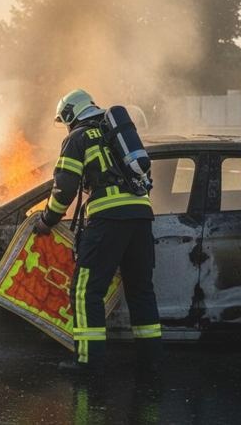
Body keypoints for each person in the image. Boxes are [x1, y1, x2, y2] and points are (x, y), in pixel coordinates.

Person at [35, 89, 160, 374]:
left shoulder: (78, 137)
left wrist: (47, 220)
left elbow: (65, 187)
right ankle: (150, 359)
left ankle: (89, 362)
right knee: (141, 290)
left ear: (70, 115)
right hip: (141, 216)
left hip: (108, 219)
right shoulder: (115, 133)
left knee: (86, 291)